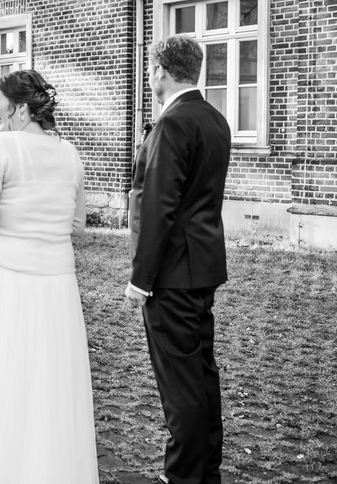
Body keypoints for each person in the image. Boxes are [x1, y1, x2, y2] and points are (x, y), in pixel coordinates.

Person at [0, 70, 98, 483]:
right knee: (50, 380)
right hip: (57, 282)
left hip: (7, 279)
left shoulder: (2, 145)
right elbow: (78, 225)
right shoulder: (69, 152)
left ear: (20, 107)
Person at [125, 35, 231, 484]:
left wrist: (141, 278)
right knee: (201, 374)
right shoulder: (215, 119)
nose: (150, 75)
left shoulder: (172, 124)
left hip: (171, 273)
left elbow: (158, 206)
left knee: (180, 383)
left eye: (151, 68)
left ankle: (182, 475)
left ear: (160, 72)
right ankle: (205, 469)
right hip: (202, 264)